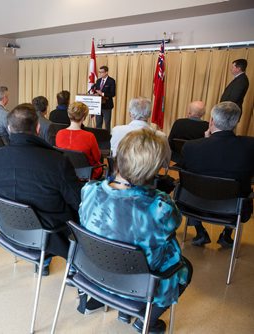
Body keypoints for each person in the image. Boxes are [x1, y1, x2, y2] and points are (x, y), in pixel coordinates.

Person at [78, 128, 192, 333]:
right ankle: (146, 321)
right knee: (186, 269)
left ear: (118, 156)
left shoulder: (89, 191)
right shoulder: (160, 206)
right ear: (153, 169)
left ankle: (124, 311)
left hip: (94, 273)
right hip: (140, 285)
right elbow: (175, 223)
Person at [0, 103, 82, 275]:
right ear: (38, 128)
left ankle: (43, 261)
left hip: (8, 227)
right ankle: (76, 266)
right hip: (50, 234)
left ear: (9, 129)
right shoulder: (57, 162)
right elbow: (78, 202)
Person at [181, 101, 254, 247]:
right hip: (232, 210)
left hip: (194, 205)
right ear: (237, 122)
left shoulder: (190, 147)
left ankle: (200, 231)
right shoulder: (250, 146)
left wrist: (206, 140)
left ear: (212, 121)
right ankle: (226, 235)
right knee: (241, 187)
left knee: (189, 185)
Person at [55, 102, 102, 179]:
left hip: (66, 172)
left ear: (69, 115)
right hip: (87, 173)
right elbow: (97, 157)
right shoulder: (89, 136)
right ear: (83, 118)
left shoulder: (59, 134)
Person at [92, 65, 116, 130]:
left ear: (106, 72)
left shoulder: (111, 81)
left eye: (102, 72)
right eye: (99, 72)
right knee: (98, 124)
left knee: (107, 124)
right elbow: (96, 90)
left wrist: (102, 93)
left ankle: (107, 138)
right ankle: (98, 138)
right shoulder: (98, 81)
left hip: (107, 106)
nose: (100, 74)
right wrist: (96, 93)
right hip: (98, 105)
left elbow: (113, 94)